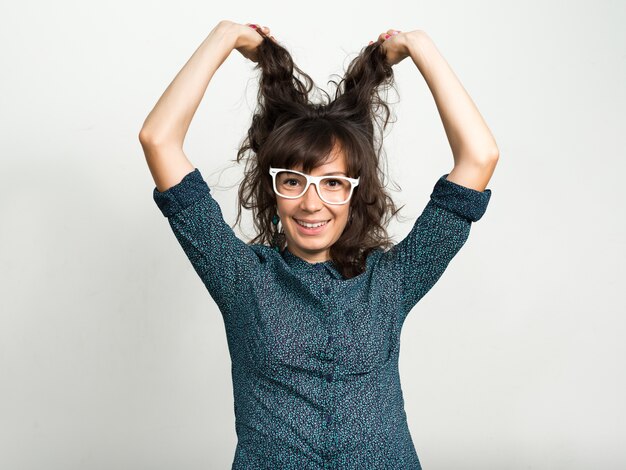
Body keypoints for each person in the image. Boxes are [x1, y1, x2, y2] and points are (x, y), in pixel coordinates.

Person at [139, 20, 498, 470]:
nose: (312, 203)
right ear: (273, 192)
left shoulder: (391, 280)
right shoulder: (240, 277)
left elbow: (479, 156)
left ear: (355, 194)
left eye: (332, 182)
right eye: (293, 181)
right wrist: (225, 36)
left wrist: (417, 45)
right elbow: (158, 139)